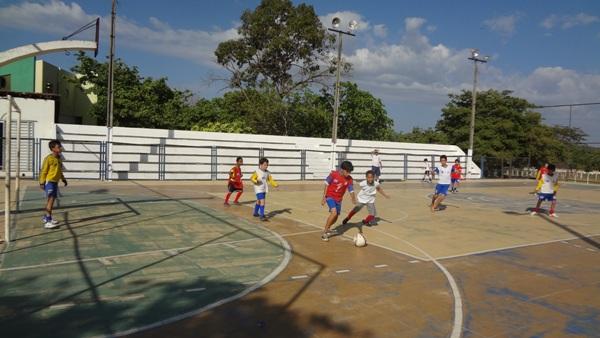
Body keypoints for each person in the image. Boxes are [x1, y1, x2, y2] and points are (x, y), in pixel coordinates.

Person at [321, 160, 356, 241]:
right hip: (330, 196)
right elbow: (326, 184)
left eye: (350, 172)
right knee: (334, 213)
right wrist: (324, 197)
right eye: (347, 171)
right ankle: (325, 233)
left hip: (339, 199)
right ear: (342, 169)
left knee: (336, 216)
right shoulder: (333, 174)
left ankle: (329, 227)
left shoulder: (349, 179)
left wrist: (353, 198)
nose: (349, 173)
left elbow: (351, 189)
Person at [39, 140, 68, 229]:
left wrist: (63, 179)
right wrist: (42, 182)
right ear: (53, 149)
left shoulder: (59, 158)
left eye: (60, 146)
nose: (60, 148)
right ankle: (48, 221)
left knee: (50, 200)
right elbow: (44, 171)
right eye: (58, 147)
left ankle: (47, 217)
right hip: (49, 182)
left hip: (55, 182)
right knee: (51, 201)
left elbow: (59, 171)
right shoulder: (48, 158)